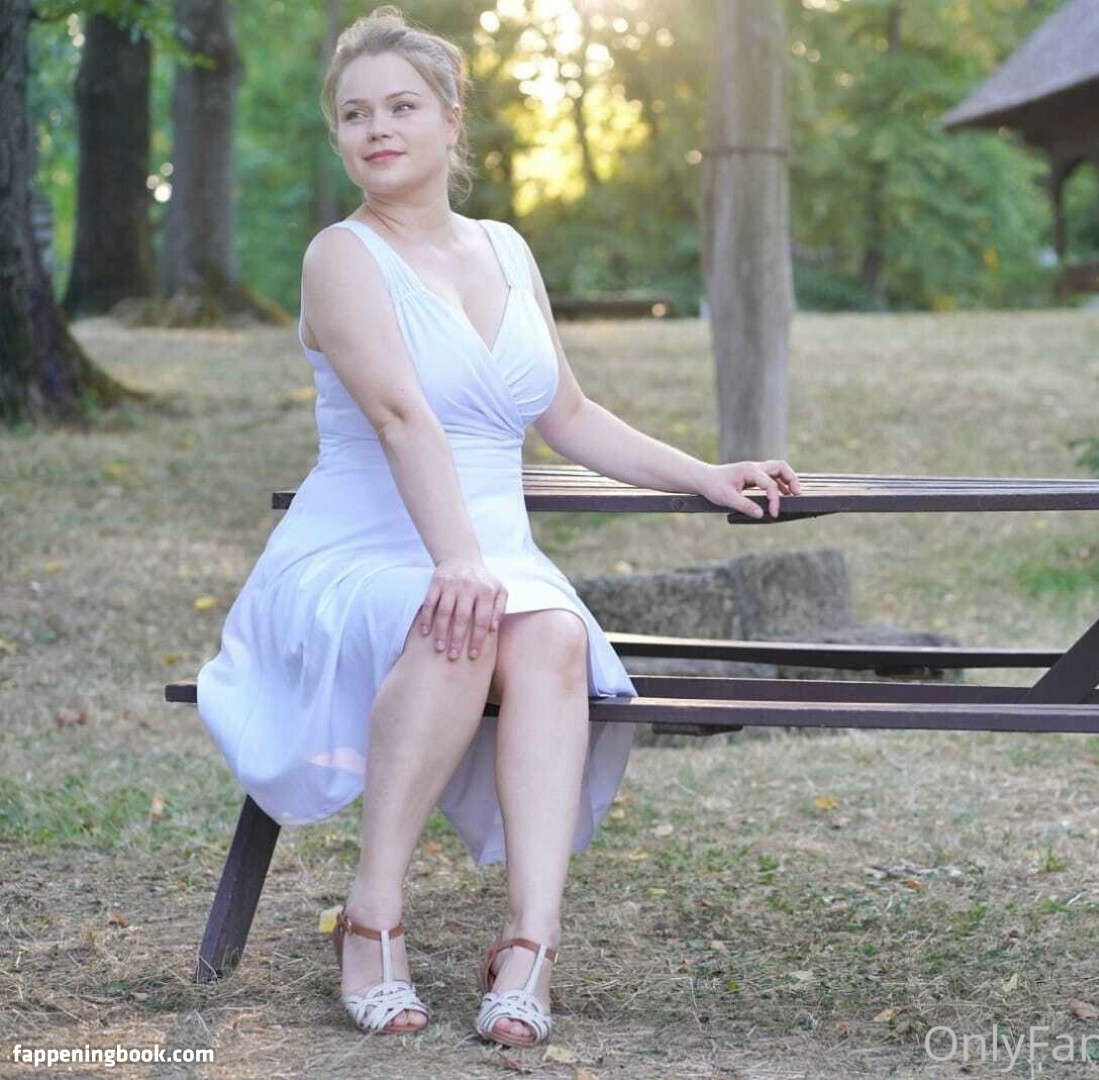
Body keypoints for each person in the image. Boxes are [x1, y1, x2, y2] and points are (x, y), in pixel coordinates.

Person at [194, 4, 802, 1047]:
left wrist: (706, 474)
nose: (376, 129)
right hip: (362, 549)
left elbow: (568, 415)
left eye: (400, 107)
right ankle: (372, 916)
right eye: (354, 114)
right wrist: (459, 558)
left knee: (553, 633)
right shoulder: (341, 256)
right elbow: (400, 416)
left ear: (450, 117)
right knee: (460, 621)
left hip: (488, 554)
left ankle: (530, 945)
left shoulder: (508, 250)